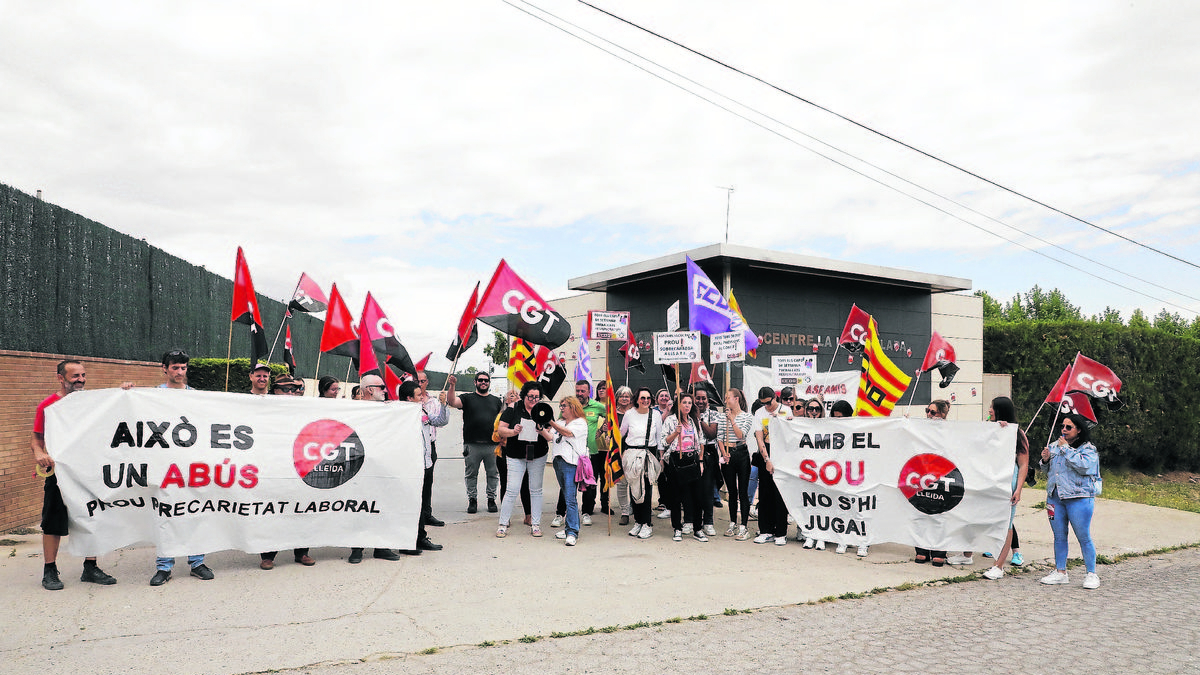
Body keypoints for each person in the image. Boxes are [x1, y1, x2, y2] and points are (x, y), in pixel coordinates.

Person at [32, 360, 126, 590]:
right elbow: (36, 439)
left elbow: (115, 405)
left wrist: (124, 393)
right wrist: (39, 453)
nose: (81, 379)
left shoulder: (91, 403)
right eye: (75, 376)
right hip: (59, 473)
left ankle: (90, 567)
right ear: (60, 378)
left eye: (83, 375)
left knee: (93, 516)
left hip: (89, 471)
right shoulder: (48, 406)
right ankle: (50, 571)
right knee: (53, 521)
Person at [151, 350, 215, 585]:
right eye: (175, 367)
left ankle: (197, 562)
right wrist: (128, 391)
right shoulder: (153, 395)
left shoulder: (196, 397)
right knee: (165, 515)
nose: (179, 372)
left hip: (191, 466)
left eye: (183, 368)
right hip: (165, 466)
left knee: (195, 512)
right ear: (165, 368)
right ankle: (164, 567)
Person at [259, 373, 316, 569]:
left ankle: (302, 552)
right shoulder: (265, 410)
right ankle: (268, 555)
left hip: (299, 467)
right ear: (275, 391)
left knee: (302, 511)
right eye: (286, 389)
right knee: (273, 513)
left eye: (294, 389)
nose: (291, 393)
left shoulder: (303, 410)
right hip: (274, 467)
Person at [1039, 413, 1101, 589]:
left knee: (1083, 536)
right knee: (1059, 536)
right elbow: (1048, 470)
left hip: (1079, 497)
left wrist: (1066, 448)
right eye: (1062, 426)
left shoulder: (1088, 449)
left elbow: (1084, 467)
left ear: (1079, 430)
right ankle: (1060, 571)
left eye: (1069, 427)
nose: (1064, 430)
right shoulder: (1055, 446)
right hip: (1056, 497)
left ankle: (1091, 573)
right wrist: (1044, 460)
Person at [348, 374, 402, 563]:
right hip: (359, 466)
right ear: (369, 389)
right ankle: (357, 548)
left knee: (383, 505)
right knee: (359, 507)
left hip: (382, 466)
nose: (385, 390)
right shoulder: (353, 409)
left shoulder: (387, 409)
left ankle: (381, 546)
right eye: (381, 387)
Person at [496, 381, 553, 538]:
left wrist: (541, 430)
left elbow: (549, 434)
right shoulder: (513, 408)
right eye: (530, 397)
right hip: (516, 454)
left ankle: (535, 524)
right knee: (512, 488)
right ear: (524, 396)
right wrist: (513, 431)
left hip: (538, 454)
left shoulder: (544, 410)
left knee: (536, 490)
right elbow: (501, 429)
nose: (533, 400)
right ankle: (502, 524)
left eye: (537, 397)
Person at [398, 379, 448, 554]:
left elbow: (441, 421)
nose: (422, 397)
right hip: (409, 466)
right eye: (419, 395)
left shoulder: (424, 410)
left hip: (425, 463)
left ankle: (420, 538)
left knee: (419, 503)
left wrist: (444, 405)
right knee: (409, 504)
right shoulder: (399, 415)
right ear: (409, 398)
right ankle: (406, 541)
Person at [983, 396, 1030, 580]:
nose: (989, 411)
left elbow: (1023, 464)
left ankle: (999, 565)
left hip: (1008, 480)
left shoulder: (1017, 433)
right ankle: (968, 554)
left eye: (992, 408)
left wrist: (1018, 489)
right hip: (989, 479)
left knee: (1006, 523)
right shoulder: (989, 428)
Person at [552, 381, 607, 527]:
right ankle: (560, 514)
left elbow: (611, 414)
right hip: (570, 454)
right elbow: (559, 424)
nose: (580, 394)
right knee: (567, 486)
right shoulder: (568, 406)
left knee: (588, 484)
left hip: (590, 452)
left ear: (589, 392)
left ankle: (586, 512)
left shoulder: (597, 406)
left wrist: (603, 429)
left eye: (583, 391)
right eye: (578, 390)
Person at [446, 372, 502, 514]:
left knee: (493, 474)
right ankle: (472, 500)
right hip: (472, 445)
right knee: (471, 474)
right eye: (480, 380)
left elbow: (503, 419)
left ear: (489, 383)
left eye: (486, 380)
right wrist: (452, 386)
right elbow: (452, 402)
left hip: (492, 445)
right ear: (475, 382)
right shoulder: (467, 398)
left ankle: (491, 499)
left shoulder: (496, 401)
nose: (483, 382)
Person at [620, 387, 664, 539]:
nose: (645, 401)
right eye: (642, 398)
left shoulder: (656, 415)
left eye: (648, 398)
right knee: (634, 488)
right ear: (637, 399)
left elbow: (659, 437)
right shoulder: (629, 414)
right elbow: (621, 433)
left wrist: (661, 457)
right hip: (631, 454)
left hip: (648, 454)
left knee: (646, 489)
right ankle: (638, 521)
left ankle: (647, 523)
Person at [662, 393, 706, 542]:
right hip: (676, 460)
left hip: (692, 460)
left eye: (689, 403)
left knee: (697, 497)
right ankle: (677, 528)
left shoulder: (694, 420)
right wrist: (676, 432)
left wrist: (700, 461)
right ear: (678, 404)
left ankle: (698, 529)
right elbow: (664, 442)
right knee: (676, 497)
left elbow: (701, 441)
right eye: (684, 402)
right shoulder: (670, 420)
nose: (687, 405)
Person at [752, 386, 791, 545]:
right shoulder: (759, 413)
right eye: (763, 404)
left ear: (775, 398)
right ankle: (765, 530)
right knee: (765, 492)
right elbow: (759, 438)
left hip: (782, 451)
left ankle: (781, 532)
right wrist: (767, 459)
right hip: (766, 451)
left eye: (769, 402)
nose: (767, 406)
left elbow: (790, 434)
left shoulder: (786, 410)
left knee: (780, 493)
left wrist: (780, 420)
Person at [547, 396, 588, 546]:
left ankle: (572, 532)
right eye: (560, 406)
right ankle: (569, 528)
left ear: (573, 407)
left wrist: (550, 421)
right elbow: (550, 437)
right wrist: (540, 429)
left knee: (570, 498)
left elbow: (567, 433)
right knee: (566, 495)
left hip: (571, 463)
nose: (562, 408)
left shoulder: (580, 423)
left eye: (564, 405)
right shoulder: (559, 422)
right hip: (558, 461)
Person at [915, 399, 951, 566]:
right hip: (923, 474)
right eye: (927, 411)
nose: (929, 415)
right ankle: (921, 549)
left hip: (943, 475)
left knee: (940, 514)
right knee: (921, 512)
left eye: (933, 412)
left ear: (943, 414)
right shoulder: (921, 428)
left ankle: (939, 551)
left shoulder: (952, 430)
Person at [717, 388, 754, 541]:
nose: (726, 400)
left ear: (736, 399)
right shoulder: (721, 417)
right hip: (727, 454)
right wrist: (723, 452)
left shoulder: (746, 417)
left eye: (728, 398)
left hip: (741, 453)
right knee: (731, 491)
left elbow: (741, 435)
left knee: (742, 491)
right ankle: (732, 522)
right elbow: (719, 437)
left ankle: (744, 526)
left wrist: (732, 419)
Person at [495, 388, 532, 525]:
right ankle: (506, 517)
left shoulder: (524, 412)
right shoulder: (502, 415)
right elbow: (496, 434)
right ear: (506, 400)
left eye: (517, 395)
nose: (514, 397)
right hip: (505, 452)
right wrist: (510, 432)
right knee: (506, 484)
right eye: (511, 395)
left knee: (525, 484)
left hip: (524, 452)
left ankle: (528, 515)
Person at [414, 370, 445, 529]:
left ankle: (426, 513)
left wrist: (444, 404)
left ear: (427, 382)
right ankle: (414, 514)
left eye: (423, 381)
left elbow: (440, 421)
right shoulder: (408, 400)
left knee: (428, 481)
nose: (420, 384)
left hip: (429, 445)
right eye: (417, 381)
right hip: (412, 446)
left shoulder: (432, 401)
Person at [693, 388, 721, 537]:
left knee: (708, 489)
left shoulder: (713, 414)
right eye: (697, 398)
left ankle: (708, 522)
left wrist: (699, 419)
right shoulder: (687, 413)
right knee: (693, 489)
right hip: (692, 453)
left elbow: (711, 433)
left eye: (703, 398)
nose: (700, 401)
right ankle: (690, 520)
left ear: (707, 400)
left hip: (709, 454)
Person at [611, 386, 635, 525]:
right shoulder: (613, 414)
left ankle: (635, 508)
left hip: (633, 451)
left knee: (634, 482)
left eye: (627, 396)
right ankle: (625, 512)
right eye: (621, 396)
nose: (624, 398)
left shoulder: (635, 413)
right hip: (617, 452)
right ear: (617, 398)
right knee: (621, 484)